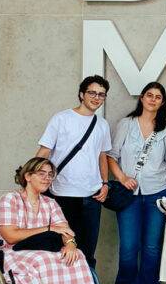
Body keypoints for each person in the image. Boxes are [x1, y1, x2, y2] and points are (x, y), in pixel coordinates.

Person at [0, 157, 111, 284]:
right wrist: (48, 229)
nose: (47, 178)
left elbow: (65, 231)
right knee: (43, 259)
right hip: (13, 253)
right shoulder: (10, 200)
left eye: (50, 175)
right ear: (27, 176)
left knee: (77, 255)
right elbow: (10, 235)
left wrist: (71, 245)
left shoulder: (50, 203)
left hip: (44, 251)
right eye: (41, 174)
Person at [107, 82, 166, 284]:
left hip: (158, 192)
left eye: (158, 96)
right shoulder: (126, 124)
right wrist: (122, 178)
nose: (153, 99)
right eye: (149, 95)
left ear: (162, 102)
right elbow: (111, 156)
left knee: (151, 247)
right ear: (142, 98)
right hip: (129, 194)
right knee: (128, 247)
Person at [36, 75, 112, 268]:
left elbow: (102, 155)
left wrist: (105, 183)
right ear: (81, 94)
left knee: (88, 250)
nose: (96, 97)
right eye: (92, 93)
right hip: (62, 194)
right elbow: (45, 151)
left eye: (101, 95)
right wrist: (32, 179)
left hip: (91, 195)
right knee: (63, 247)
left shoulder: (102, 124)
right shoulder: (61, 118)